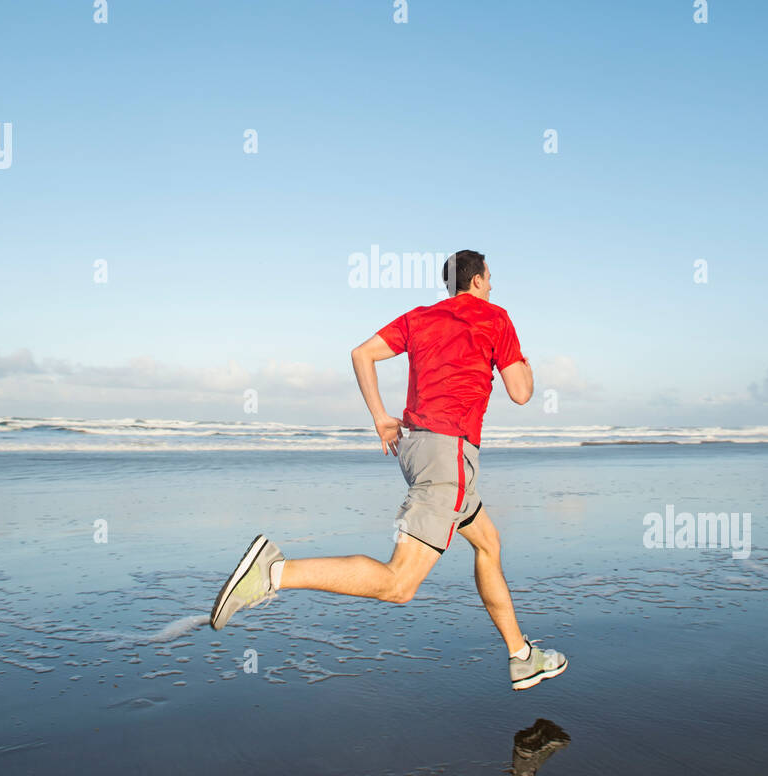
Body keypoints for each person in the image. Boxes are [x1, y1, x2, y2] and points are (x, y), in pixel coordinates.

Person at [209, 250, 568, 691]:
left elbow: (362, 354)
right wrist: (526, 365)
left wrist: (380, 416)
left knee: (488, 543)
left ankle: (521, 656)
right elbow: (520, 392)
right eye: (490, 278)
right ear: (475, 280)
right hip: (448, 455)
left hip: (417, 450)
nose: (493, 286)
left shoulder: (420, 317)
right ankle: (274, 572)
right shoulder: (494, 317)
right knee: (399, 584)